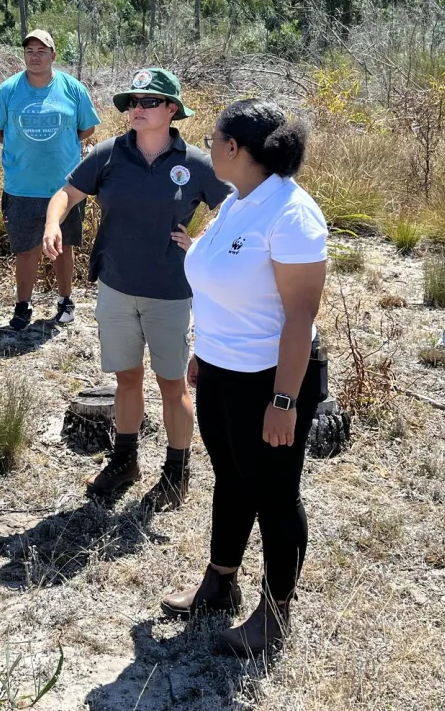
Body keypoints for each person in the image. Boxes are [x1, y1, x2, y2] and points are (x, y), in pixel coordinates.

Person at [161, 99, 328, 655]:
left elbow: (301, 316)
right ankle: (220, 582)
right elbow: (221, 282)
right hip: (221, 369)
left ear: (235, 148)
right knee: (232, 479)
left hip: (271, 380)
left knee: (276, 495)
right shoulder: (238, 202)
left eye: (213, 139)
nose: (206, 146)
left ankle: (275, 616)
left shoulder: (291, 214)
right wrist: (204, 353)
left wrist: (284, 399)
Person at [42, 68, 230, 511]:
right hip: (116, 287)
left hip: (170, 291)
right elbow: (66, 193)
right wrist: (53, 223)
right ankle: (125, 460)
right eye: (132, 102)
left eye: (148, 101)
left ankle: (176, 472)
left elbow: (234, 208)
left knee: (172, 385)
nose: (137, 109)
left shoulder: (197, 162)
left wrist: (202, 242)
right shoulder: (110, 155)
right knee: (127, 378)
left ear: (171, 110)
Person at [0, 30, 100, 330]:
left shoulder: (72, 89)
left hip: (66, 188)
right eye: (29, 50)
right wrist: (21, 148)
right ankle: (23, 305)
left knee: (63, 248)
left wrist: (61, 145)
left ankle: (65, 301)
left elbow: (86, 128)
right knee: (26, 250)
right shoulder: (7, 90)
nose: (34, 55)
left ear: (53, 54)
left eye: (41, 50)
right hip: (22, 186)